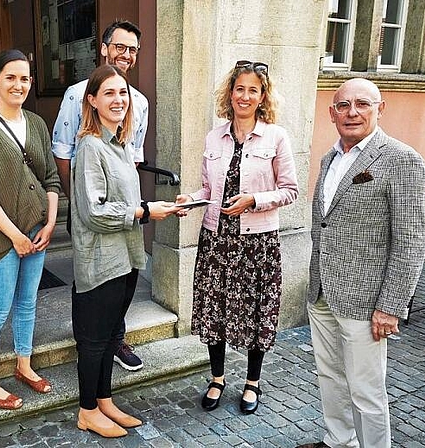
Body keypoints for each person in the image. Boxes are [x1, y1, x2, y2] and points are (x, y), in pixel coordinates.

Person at [297, 78, 425, 448]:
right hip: (322, 292)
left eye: (363, 104)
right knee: (330, 377)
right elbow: (326, 221)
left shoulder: (401, 159)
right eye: (343, 105)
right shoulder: (329, 157)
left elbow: (411, 240)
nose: (352, 112)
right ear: (332, 112)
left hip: (367, 302)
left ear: (379, 109)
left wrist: (390, 307)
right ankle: (339, 441)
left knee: (367, 392)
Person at [176, 61, 298, 415]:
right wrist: (191, 198)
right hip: (216, 238)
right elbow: (208, 187)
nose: (245, 96)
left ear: (262, 97)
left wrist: (254, 201)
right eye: (239, 88)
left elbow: (289, 190)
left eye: (253, 90)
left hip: (257, 243)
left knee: (256, 310)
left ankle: (252, 382)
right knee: (215, 308)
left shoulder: (276, 136)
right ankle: (217, 378)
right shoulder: (215, 136)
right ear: (230, 93)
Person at [71, 64, 179, 438]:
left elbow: (125, 200)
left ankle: (104, 401)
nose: (118, 100)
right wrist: (146, 211)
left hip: (126, 257)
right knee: (94, 340)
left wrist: (159, 206)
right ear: (93, 101)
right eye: (109, 93)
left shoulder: (120, 145)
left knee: (109, 338)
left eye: (123, 93)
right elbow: (94, 212)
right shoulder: (90, 146)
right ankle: (86, 410)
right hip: (100, 262)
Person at [0, 49, 60, 410]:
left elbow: (50, 177)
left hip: (37, 230)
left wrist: (49, 224)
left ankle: (24, 364)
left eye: (25, 78)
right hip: (2, 238)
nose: (18, 85)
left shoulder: (35, 123)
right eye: (11, 77)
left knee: (28, 303)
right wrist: (14, 236)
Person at [52, 20, 148, 372]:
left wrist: (136, 207)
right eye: (120, 47)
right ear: (104, 47)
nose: (126, 55)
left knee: (122, 277)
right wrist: (75, 200)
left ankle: (113, 339)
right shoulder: (77, 95)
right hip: (89, 201)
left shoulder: (138, 102)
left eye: (133, 50)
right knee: (90, 277)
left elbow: (133, 156)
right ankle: (89, 344)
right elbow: (63, 151)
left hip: (123, 207)